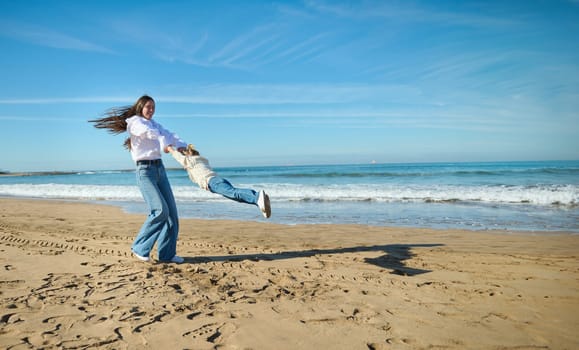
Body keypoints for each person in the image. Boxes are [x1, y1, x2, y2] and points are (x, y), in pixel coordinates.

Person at [89, 95, 186, 264]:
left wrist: (181, 145)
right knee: (160, 210)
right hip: (145, 171)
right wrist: (166, 144)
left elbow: (168, 134)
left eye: (153, 107)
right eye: (148, 107)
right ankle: (140, 248)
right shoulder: (134, 122)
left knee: (172, 214)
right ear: (141, 107)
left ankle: (167, 255)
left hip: (160, 170)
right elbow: (149, 134)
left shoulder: (155, 124)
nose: (151, 110)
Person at [168, 144, 271, 218]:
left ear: (188, 155)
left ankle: (257, 196)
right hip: (216, 181)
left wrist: (170, 149)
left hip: (213, 182)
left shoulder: (190, 160)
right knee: (235, 196)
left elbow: (179, 157)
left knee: (233, 193)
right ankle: (260, 203)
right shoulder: (200, 160)